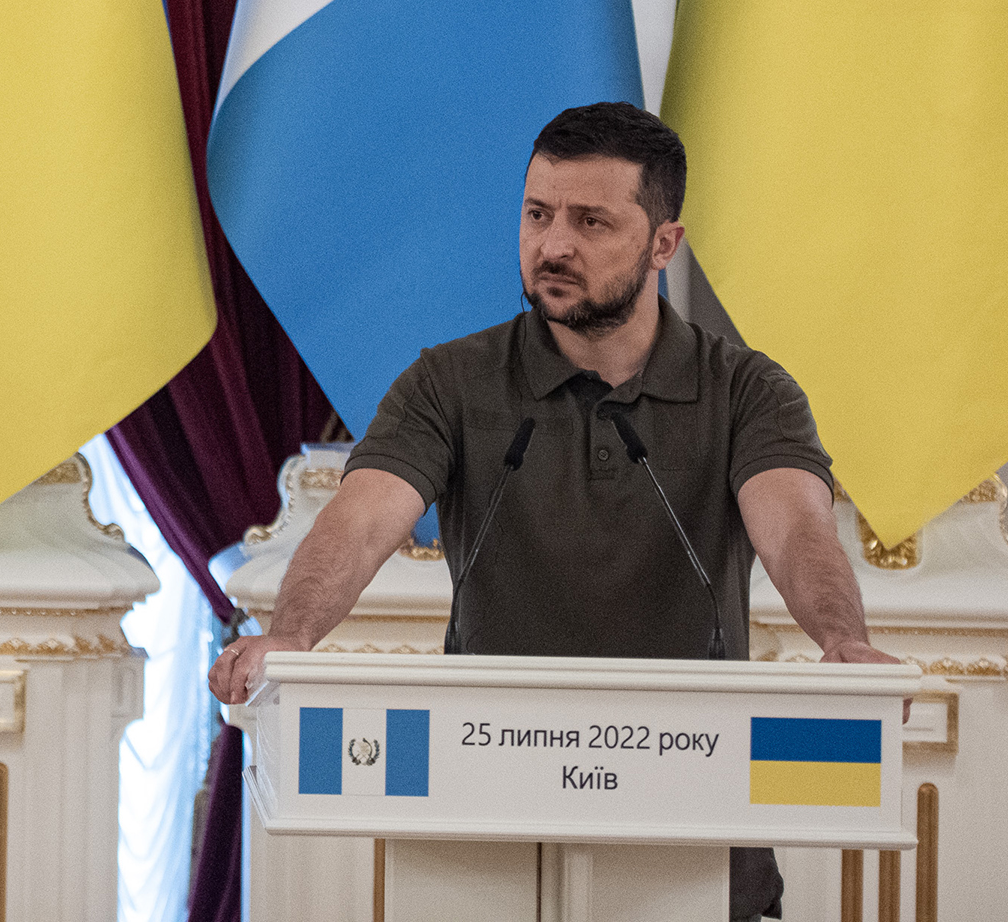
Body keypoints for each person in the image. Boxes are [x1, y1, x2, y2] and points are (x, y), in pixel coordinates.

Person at [206, 101, 896, 922]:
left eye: (591, 220)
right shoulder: (450, 381)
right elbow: (359, 522)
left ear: (663, 244)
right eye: (538, 214)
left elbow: (794, 528)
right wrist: (292, 635)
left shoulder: (747, 389)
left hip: (694, 814)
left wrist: (841, 639)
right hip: (481, 811)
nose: (553, 244)